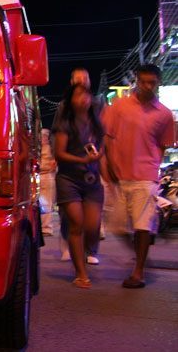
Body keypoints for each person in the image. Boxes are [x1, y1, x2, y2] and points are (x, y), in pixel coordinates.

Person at [102, 64, 176, 289]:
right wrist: (107, 166)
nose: (147, 86)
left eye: (152, 82)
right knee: (116, 226)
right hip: (119, 175)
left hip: (145, 176)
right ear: (136, 81)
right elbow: (107, 138)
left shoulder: (164, 114)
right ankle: (141, 255)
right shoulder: (119, 105)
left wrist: (153, 166)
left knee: (142, 225)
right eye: (143, 81)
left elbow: (163, 145)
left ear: (158, 83)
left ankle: (138, 271)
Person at [53, 82, 105, 289]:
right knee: (76, 224)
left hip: (92, 181)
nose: (83, 98)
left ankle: (84, 253)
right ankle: (80, 274)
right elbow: (59, 153)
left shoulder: (96, 122)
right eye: (77, 95)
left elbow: (104, 146)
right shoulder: (66, 123)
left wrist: (100, 156)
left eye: (86, 95)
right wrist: (82, 160)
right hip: (69, 180)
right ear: (71, 101)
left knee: (92, 227)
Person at [39, 129, 57, 236]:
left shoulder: (50, 149)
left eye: (44, 136)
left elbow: (53, 164)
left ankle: (46, 228)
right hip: (39, 177)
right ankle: (42, 227)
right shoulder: (38, 148)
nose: (43, 138)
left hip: (47, 176)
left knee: (47, 203)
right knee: (41, 204)